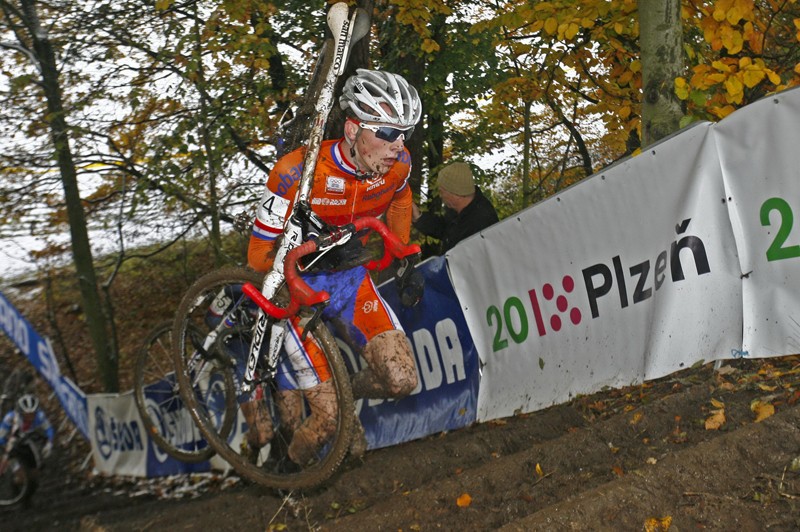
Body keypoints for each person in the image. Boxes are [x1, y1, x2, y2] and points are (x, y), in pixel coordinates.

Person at [246, 69, 422, 464]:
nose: (398, 145)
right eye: (388, 133)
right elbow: (258, 257)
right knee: (328, 420)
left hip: (348, 279)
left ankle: (343, 388)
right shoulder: (296, 173)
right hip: (297, 291)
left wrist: (400, 248)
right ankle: (286, 479)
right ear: (352, 128)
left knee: (402, 379)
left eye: (405, 133)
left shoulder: (399, 164)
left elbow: (400, 199)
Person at [412, 161, 499, 254]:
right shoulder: (457, 207)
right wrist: (419, 217)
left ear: (456, 194)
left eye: (442, 191)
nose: (440, 195)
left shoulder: (481, 223)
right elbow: (444, 228)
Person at [0, 394, 55, 460]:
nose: (30, 417)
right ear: (21, 413)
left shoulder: (39, 416)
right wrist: (6, 446)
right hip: (10, 436)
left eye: (32, 414)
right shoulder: (11, 417)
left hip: (26, 437)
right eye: (27, 415)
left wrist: (49, 443)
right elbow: (1, 437)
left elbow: (49, 429)